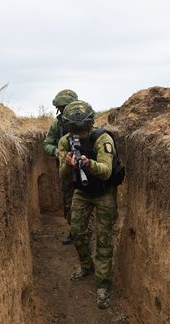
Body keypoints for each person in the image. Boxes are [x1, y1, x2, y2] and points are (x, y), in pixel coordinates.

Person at [57, 100, 122, 309]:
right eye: (74, 129)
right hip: (82, 192)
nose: (79, 132)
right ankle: (86, 265)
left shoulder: (102, 138)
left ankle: (103, 284)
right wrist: (69, 164)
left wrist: (88, 163)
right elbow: (63, 176)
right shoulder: (66, 142)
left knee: (103, 239)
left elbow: (106, 171)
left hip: (104, 192)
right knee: (76, 232)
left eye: (82, 128)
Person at [43, 89, 78, 245]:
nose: (65, 111)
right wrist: (58, 151)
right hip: (67, 171)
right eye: (63, 108)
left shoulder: (85, 121)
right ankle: (74, 232)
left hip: (85, 167)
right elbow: (47, 145)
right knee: (69, 202)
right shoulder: (57, 124)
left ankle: (86, 231)